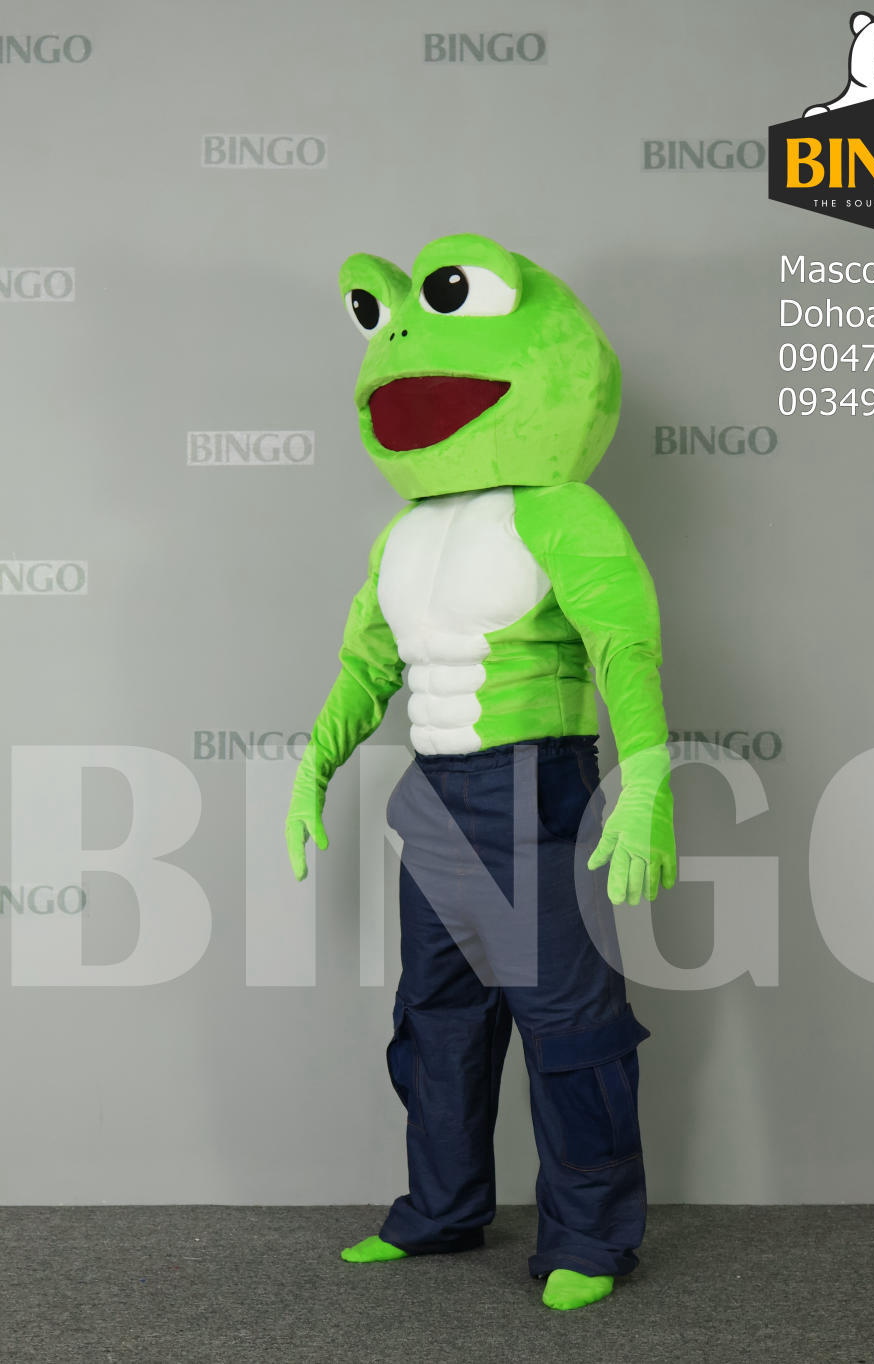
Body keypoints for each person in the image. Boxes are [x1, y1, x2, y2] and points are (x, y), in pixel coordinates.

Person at [286, 233, 676, 1311]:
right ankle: (441, 1208)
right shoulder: (402, 535)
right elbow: (368, 663)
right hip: (434, 795)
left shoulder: (562, 509)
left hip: (532, 785)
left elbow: (624, 646)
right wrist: (314, 765)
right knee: (437, 1018)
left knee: (570, 1026)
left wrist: (647, 779)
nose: (399, 344)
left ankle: (590, 1236)